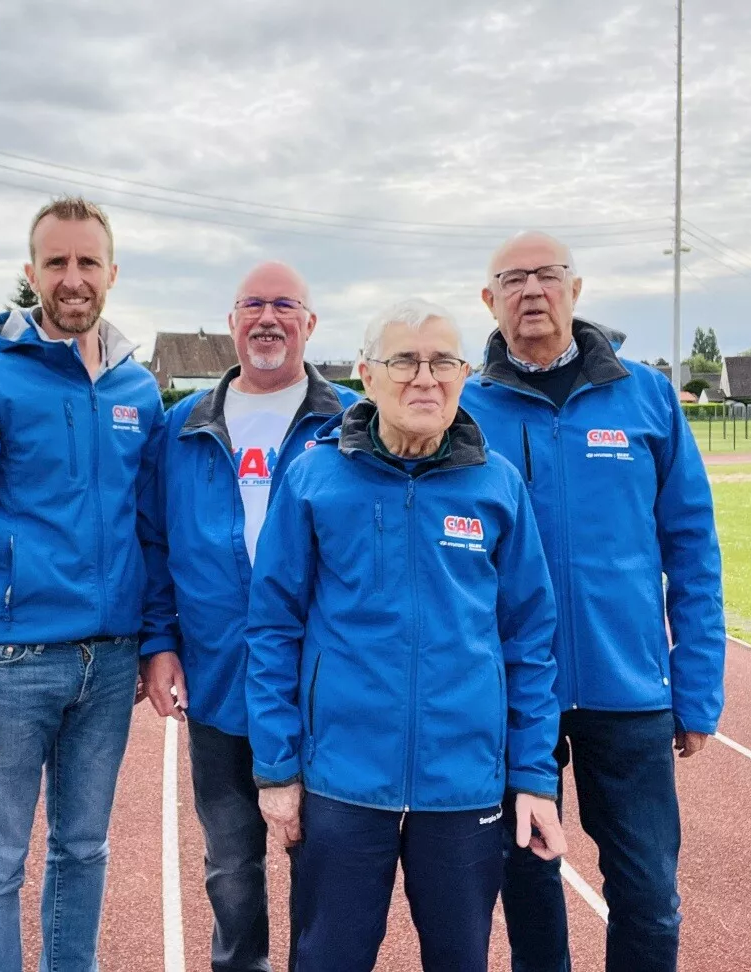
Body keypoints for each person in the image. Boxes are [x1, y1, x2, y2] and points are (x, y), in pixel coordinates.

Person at [245, 298, 568, 972]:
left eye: (444, 361)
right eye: (404, 361)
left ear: (465, 372)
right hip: (342, 778)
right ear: (366, 373)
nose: (425, 378)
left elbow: (529, 640)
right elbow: (273, 627)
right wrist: (277, 768)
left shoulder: (498, 487)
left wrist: (534, 775)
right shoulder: (312, 477)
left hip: (465, 783)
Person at [460, 232, 725, 972]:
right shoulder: (465, 407)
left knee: (647, 893)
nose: (532, 291)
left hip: (628, 688)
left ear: (576, 290)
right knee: (528, 882)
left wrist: (697, 686)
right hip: (511, 688)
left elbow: (693, 550)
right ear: (490, 300)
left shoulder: (646, 396)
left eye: (548, 275)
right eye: (512, 279)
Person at [0, 196, 170, 972]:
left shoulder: (139, 393)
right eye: (56, 263)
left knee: (85, 849)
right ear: (31, 275)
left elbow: (150, 533)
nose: (72, 278)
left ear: (112, 273)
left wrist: (154, 642)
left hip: (109, 667)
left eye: (87, 262)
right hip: (11, 665)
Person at [142, 262, 360, 972]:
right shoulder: (181, 428)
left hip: (319, 685)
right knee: (231, 866)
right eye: (252, 306)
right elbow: (153, 541)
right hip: (218, 679)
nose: (268, 319)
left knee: (320, 864)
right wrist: (160, 642)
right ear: (232, 322)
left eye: (285, 305)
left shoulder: (355, 422)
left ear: (310, 322)